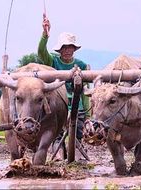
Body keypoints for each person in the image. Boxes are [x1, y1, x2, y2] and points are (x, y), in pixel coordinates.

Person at [37, 16, 90, 144]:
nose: (67, 50)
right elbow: (41, 52)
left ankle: (78, 149)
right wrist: (45, 34)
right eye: (64, 47)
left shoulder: (82, 65)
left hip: (78, 105)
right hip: (57, 105)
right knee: (56, 134)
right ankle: (58, 151)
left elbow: (85, 91)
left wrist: (88, 114)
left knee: (78, 132)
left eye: (70, 47)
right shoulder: (52, 61)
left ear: (74, 49)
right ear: (59, 49)